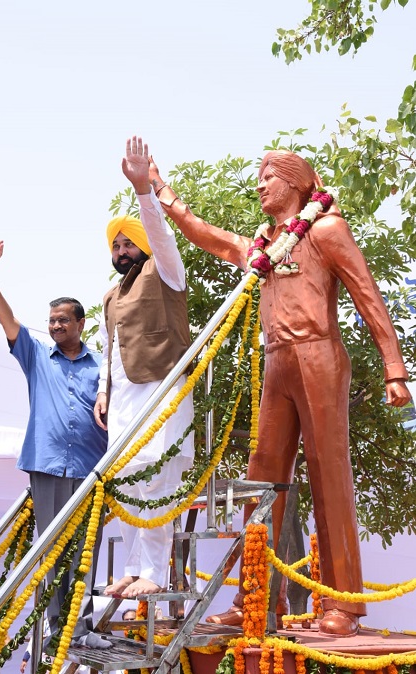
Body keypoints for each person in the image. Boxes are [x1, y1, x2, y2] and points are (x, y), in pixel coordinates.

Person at [144, 148, 411, 637]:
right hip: (277, 362)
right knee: (260, 480)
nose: (261, 186)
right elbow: (209, 237)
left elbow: (368, 295)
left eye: (268, 177)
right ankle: (255, 600)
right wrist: (160, 188)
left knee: (330, 475)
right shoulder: (264, 246)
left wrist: (395, 368)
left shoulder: (326, 231)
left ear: (294, 183)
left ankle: (342, 605)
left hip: (320, 356)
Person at [0, 244, 111, 650]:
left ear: (80, 323)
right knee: (55, 552)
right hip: (48, 467)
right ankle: (59, 634)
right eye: (51, 320)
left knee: (84, 553)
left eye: (62, 320)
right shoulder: (36, 355)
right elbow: (7, 318)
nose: (55, 326)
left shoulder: (103, 364)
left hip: (91, 470)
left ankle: (83, 630)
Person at [96, 137, 194, 601]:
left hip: (161, 390)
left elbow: (162, 236)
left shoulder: (166, 271)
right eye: (114, 245)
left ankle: (156, 569)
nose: (120, 249)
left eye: (126, 242)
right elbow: (110, 350)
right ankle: (133, 567)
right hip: (122, 402)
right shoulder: (111, 296)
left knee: (156, 477)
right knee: (125, 480)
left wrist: (143, 191)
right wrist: (102, 392)